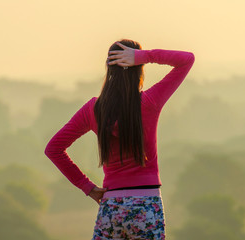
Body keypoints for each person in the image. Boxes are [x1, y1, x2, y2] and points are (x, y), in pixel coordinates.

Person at [44, 39, 195, 239]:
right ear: (138, 69)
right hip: (147, 206)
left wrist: (87, 187)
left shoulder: (94, 109)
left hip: (111, 208)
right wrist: (144, 56)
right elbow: (187, 60)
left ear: (108, 68)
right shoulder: (149, 102)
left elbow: (53, 149)